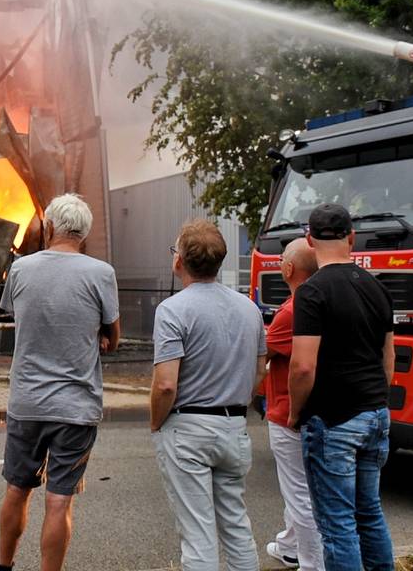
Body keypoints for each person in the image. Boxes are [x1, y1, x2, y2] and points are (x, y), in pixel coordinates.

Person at [0, 193, 120, 571]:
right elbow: (113, 338)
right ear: (84, 233)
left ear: (48, 227)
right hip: (75, 406)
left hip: (27, 401)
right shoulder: (101, 273)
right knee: (59, 500)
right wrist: (97, 334)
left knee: (17, 489)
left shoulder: (21, 269)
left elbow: (17, 314)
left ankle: (4, 566)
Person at [150, 219, 266, 571]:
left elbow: (166, 384)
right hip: (233, 426)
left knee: (198, 534)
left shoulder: (172, 310)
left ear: (180, 260)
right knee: (236, 526)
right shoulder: (249, 308)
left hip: (188, 428)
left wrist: (156, 422)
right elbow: (259, 371)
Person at [287, 203, 395, 571]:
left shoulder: (312, 292)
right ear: (352, 237)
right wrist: (376, 399)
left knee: (337, 525)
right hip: (375, 413)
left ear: (309, 240)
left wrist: (295, 411)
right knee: (370, 513)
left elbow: (303, 366)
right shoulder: (377, 287)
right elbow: (388, 357)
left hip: (333, 419)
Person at [264, 238, 324, 571]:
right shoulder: (323, 300)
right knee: (302, 486)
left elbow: (265, 351)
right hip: (322, 407)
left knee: (300, 492)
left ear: (288, 269)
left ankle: (312, 563)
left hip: (288, 410)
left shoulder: (291, 311)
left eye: (280, 260)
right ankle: (289, 546)